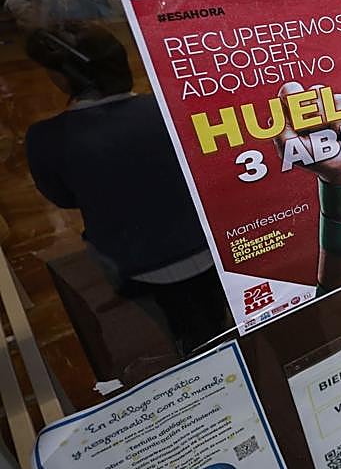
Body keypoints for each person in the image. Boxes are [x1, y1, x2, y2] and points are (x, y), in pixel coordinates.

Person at [24, 22, 229, 357]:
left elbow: (63, 198)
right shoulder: (173, 109)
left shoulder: (47, 139)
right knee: (213, 315)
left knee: (176, 326)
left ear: (61, 77)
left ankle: (196, 358)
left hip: (131, 261)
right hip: (206, 245)